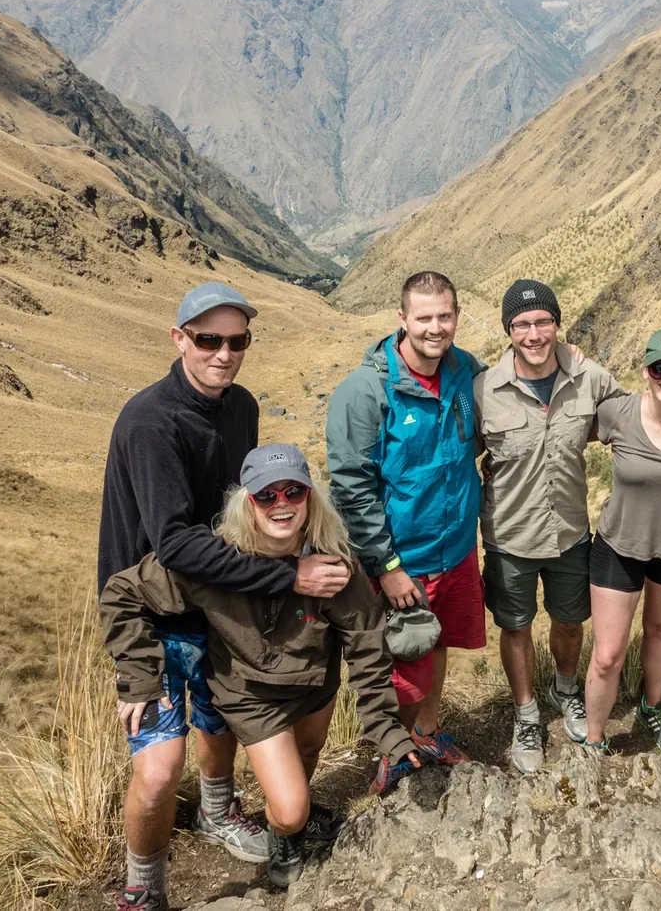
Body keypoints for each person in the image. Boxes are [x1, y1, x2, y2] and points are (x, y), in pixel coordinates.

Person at [99, 283, 351, 911]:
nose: (224, 353)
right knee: (159, 769)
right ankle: (143, 888)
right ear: (178, 338)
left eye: (238, 341)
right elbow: (176, 545)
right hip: (151, 612)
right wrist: (289, 576)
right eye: (208, 339)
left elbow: (242, 513)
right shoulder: (150, 422)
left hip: (220, 599)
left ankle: (217, 813)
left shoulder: (240, 407)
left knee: (219, 719)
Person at [102, 444, 420, 892]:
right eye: (266, 495)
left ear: (310, 498)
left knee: (307, 755)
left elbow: (367, 645)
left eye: (294, 491)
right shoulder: (215, 561)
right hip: (251, 697)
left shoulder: (333, 564)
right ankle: (287, 824)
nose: (281, 504)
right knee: (291, 809)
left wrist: (386, 730)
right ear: (247, 502)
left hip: (315, 688)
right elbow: (122, 594)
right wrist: (138, 677)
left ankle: (287, 835)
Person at [326, 271, 485, 766]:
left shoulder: (465, 370)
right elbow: (351, 487)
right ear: (402, 318)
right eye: (424, 318)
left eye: (445, 316)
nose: (435, 328)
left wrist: (566, 357)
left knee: (437, 644)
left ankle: (428, 732)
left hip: (456, 548)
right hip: (402, 560)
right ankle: (393, 757)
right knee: (401, 662)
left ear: (457, 316)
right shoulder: (365, 391)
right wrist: (387, 566)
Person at [475, 279, 630, 772]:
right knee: (515, 627)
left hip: (569, 533)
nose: (534, 334)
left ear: (558, 325)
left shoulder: (590, 378)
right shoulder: (483, 389)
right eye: (522, 324)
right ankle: (526, 714)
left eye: (543, 322)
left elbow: (639, 416)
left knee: (569, 620)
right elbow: (454, 456)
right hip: (509, 537)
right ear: (508, 330)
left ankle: (565, 690)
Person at [582, 327, 661, 755]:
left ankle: (652, 707)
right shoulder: (618, 412)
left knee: (659, 629)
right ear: (645, 371)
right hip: (619, 546)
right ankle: (595, 738)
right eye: (659, 368)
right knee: (607, 655)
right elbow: (565, 424)